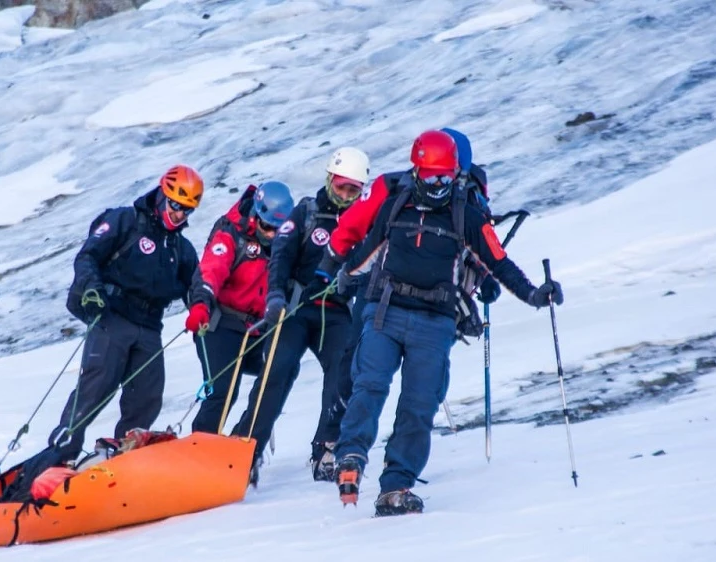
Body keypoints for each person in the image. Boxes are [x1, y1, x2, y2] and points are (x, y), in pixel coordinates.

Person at [328, 131, 564, 516]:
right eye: (431, 177)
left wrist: (536, 295)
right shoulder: (396, 205)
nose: (438, 187)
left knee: (419, 405)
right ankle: (350, 456)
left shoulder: (466, 214)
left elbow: (498, 262)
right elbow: (368, 248)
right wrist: (343, 274)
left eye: (446, 178)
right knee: (369, 384)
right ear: (416, 171)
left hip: (434, 322)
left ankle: (396, 487)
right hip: (384, 311)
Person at [0, 165, 203, 502]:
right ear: (162, 196)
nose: (179, 215)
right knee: (95, 389)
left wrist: (201, 308)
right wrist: (91, 288)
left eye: (187, 210)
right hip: (112, 317)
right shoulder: (124, 221)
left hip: (150, 327)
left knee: (147, 397)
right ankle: (56, 462)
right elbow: (88, 256)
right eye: (175, 205)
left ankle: (124, 461)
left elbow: (195, 287)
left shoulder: (181, 250)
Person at [261, 147, 370, 482]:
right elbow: (281, 254)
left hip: (335, 311)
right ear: (329, 180)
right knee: (277, 372)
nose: (346, 195)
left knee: (343, 372)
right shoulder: (306, 210)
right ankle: (247, 447)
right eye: (341, 187)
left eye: (353, 190)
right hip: (296, 308)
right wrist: (276, 294)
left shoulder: (363, 223)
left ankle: (326, 446)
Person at [186, 181, 295, 485]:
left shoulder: (285, 244)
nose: (272, 234)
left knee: (281, 371)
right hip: (220, 324)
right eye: (268, 227)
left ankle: (245, 445)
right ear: (256, 216)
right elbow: (211, 271)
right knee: (224, 389)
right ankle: (199, 456)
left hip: (258, 329)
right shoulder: (230, 235)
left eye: (279, 229)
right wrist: (201, 305)